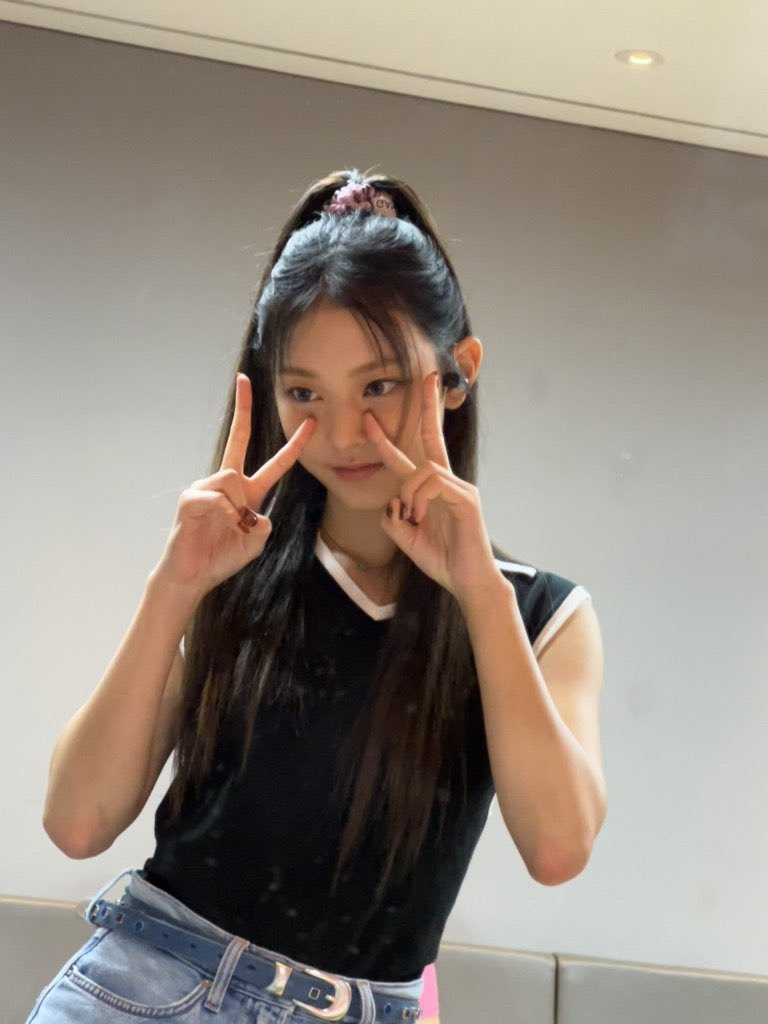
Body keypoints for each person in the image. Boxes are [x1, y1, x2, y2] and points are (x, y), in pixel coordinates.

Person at [29, 169, 606, 1024]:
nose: (341, 433)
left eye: (378, 386)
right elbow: (77, 823)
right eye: (305, 393)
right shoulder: (236, 570)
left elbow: (558, 849)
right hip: (151, 987)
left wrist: (478, 591)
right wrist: (173, 588)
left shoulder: (537, 613)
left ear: (459, 372)